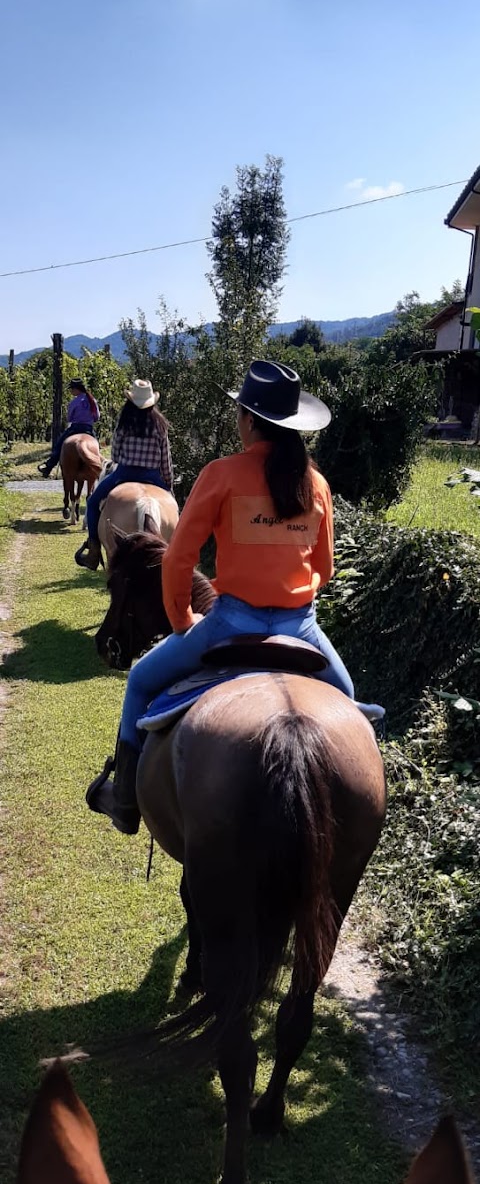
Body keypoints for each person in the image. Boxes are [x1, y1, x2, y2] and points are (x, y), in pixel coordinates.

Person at [86, 358, 355, 836]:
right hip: (302, 627)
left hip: (230, 622)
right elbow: (324, 569)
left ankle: (126, 803)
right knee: (349, 699)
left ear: (249, 421)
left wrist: (183, 618)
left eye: (239, 414)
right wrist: (294, 602)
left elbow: (177, 560)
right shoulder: (316, 485)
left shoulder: (221, 474)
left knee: (140, 682)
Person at [75, 378, 174, 572]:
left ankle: (94, 550)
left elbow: (115, 455)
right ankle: (180, 553)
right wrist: (168, 484)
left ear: (130, 402)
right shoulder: (160, 426)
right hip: (153, 476)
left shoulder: (124, 425)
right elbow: (166, 461)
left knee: (94, 502)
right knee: (175, 509)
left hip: (124, 473)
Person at [38, 379, 100, 477]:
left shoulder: (74, 402)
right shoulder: (93, 400)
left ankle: (48, 466)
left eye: (72, 389)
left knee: (59, 445)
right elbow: (97, 417)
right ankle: (99, 469)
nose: (71, 392)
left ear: (77, 389)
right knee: (97, 449)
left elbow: (69, 418)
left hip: (75, 428)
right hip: (88, 429)